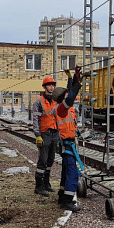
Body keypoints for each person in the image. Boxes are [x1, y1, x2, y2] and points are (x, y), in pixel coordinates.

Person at [51, 68, 84, 212]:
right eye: (65, 94)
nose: (67, 95)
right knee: (72, 173)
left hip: (68, 145)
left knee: (66, 172)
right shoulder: (61, 109)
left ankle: (62, 196)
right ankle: (68, 201)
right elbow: (70, 96)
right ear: (61, 98)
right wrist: (78, 85)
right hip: (67, 145)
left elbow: (70, 92)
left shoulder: (63, 108)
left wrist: (74, 78)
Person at [32, 76, 60, 197]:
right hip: (44, 134)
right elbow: (35, 119)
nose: (51, 87)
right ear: (44, 87)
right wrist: (37, 135)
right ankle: (39, 186)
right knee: (43, 161)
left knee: (50, 160)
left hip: (54, 133)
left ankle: (46, 183)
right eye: (49, 85)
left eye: (53, 85)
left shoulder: (56, 101)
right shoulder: (39, 102)